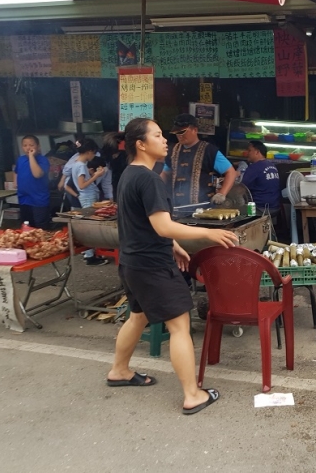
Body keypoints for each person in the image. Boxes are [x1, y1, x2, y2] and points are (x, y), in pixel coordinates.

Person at [106, 117, 238, 415]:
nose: (165, 139)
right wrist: (208, 232)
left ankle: (119, 370)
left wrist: (174, 245)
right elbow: (163, 226)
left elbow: (145, 223)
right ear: (141, 144)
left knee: (137, 317)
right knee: (180, 327)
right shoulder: (149, 179)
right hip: (152, 266)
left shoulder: (130, 174)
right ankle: (192, 394)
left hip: (132, 262)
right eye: (157, 135)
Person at [161, 114, 237, 207]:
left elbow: (231, 172)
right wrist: (156, 188)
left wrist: (221, 194)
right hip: (177, 206)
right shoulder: (172, 151)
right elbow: (165, 173)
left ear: (195, 130)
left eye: (182, 132)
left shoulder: (209, 150)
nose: (179, 136)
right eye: (177, 132)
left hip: (204, 206)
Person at [71, 142, 109, 266]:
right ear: (89, 152)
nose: (94, 155)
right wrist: (96, 176)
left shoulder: (76, 163)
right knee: (89, 226)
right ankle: (89, 256)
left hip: (87, 196)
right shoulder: (81, 166)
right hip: (87, 196)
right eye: (93, 153)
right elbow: (82, 185)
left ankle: (91, 253)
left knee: (89, 225)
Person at [15, 135, 50, 230]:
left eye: (31, 145)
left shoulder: (43, 160)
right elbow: (16, 172)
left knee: (40, 227)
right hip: (24, 198)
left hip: (39, 199)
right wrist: (16, 185)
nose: (28, 148)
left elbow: (37, 174)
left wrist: (31, 156)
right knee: (27, 226)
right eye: (25, 145)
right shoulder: (20, 159)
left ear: (38, 146)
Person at [240, 141, 280, 213]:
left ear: (257, 152)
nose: (247, 153)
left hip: (258, 209)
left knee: (237, 210)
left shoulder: (254, 167)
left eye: (249, 150)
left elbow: (242, 188)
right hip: (275, 207)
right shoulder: (272, 166)